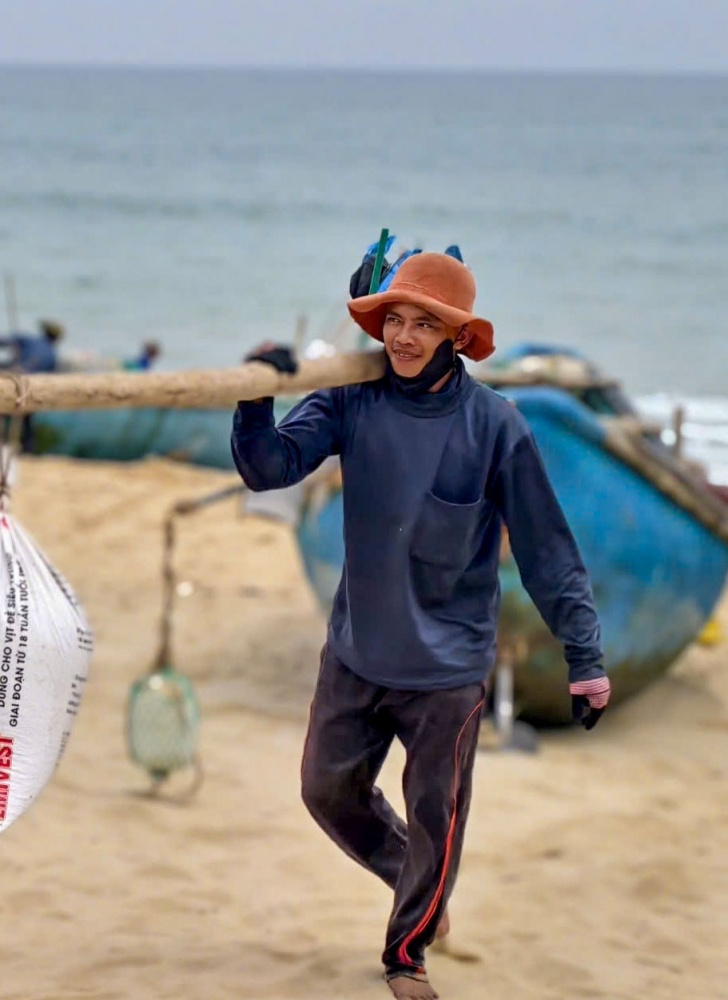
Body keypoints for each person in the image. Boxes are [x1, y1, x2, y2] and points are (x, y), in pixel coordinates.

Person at [231, 247, 611, 1000]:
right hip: (357, 653)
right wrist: (255, 396)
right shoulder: (350, 401)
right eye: (393, 321)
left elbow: (546, 550)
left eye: (422, 325)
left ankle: (406, 954)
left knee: (436, 817)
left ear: (456, 338)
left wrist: (585, 656)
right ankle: (421, 884)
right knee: (324, 791)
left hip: (447, 673)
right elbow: (269, 468)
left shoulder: (497, 427)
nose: (402, 338)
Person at [0, 319, 66, 452]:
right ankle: (28, 450)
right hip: (31, 389)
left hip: (13, 379)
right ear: (56, 339)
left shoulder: (29, 340)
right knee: (25, 418)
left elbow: (1, 342)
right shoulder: (53, 356)